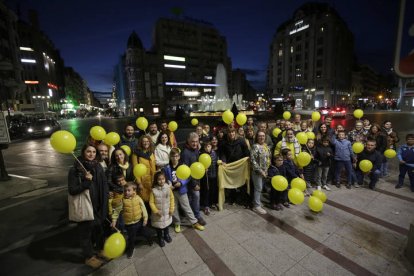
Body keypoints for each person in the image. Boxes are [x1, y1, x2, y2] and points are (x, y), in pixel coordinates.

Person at [68, 145, 108, 269]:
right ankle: (89, 257)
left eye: (93, 152)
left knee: (99, 230)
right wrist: (86, 182)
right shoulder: (76, 169)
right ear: (83, 152)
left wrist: (104, 202)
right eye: (88, 151)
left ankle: (100, 250)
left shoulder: (98, 166)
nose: (91, 154)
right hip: (86, 206)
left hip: (98, 205)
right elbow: (72, 190)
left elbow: (104, 185)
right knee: (86, 234)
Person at [163, 148, 205, 232]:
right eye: (173, 156)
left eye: (176, 156)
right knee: (174, 208)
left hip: (181, 190)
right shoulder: (167, 167)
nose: (175, 158)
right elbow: (165, 178)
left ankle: (194, 222)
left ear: (179, 157)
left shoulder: (183, 165)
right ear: (170, 157)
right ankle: (177, 223)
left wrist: (181, 183)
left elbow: (188, 177)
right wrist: (169, 185)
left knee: (187, 207)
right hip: (172, 191)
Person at [111, 182, 152, 258]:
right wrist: (114, 220)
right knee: (131, 238)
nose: (126, 192)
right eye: (125, 190)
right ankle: (131, 249)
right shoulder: (122, 201)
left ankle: (149, 239)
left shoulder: (138, 198)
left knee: (145, 232)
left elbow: (144, 209)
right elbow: (116, 211)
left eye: (128, 190)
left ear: (134, 191)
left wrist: (145, 218)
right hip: (129, 225)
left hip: (139, 222)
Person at [219, 127, 250, 205]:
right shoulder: (224, 142)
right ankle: (232, 198)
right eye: (229, 132)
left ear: (235, 132)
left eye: (233, 132)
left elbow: (246, 151)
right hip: (230, 166)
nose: (231, 134)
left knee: (242, 182)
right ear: (228, 134)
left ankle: (242, 199)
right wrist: (224, 161)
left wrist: (247, 159)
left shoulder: (241, 140)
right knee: (232, 183)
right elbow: (222, 153)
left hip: (240, 165)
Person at [181, 132, 207, 225]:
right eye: (193, 142)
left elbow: (196, 165)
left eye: (196, 141)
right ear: (188, 141)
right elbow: (187, 171)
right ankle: (197, 216)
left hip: (196, 179)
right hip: (190, 181)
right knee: (195, 196)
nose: (195, 144)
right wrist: (194, 184)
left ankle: (192, 214)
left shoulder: (195, 150)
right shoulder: (185, 153)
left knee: (193, 198)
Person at [149, 171, 175, 247]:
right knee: (159, 227)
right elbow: (151, 202)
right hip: (158, 214)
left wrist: (171, 209)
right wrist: (156, 211)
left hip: (167, 212)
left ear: (165, 179)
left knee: (166, 225)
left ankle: (166, 235)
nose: (161, 181)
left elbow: (172, 199)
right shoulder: (153, 191)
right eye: (159, 179)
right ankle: (160, 238)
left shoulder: (168, 188)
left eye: (163, 179)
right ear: (156, 180)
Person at [250, 130, 271, 214]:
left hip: (265, 171)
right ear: (257, 137)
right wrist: (260, 170)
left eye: (263, 136)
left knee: (260, 188)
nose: (261, 137)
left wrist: (266, 170)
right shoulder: (255, 146)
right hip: (257, 172)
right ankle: (256, 206)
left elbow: (268, 158)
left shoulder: (266, 146)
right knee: (258, 188)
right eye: (259, 136)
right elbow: (252, 160)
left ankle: (257, 202)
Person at [132, 135, 156, 204]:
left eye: (147, 141)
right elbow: (135, 169)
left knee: (152, 200)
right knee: (144, 200)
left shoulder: (151, 152)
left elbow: (154, 166)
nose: (146, 143)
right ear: (141, 143)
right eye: (144, 141)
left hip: (152, 180)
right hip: (143, 182)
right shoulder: (136, 154)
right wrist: (139, 183)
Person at [200, 141, 218, 214]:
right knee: (206, 190)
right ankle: (206, 205)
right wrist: (204, 169)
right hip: (206, 176)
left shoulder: (214, 153)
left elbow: (216, 162)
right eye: (206, 147)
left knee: (213, 190)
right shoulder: (202, 155)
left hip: (214, 175)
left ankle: (212, 203)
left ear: (211, 146)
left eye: (209, 146)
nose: (207, 148)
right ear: (204, 148)